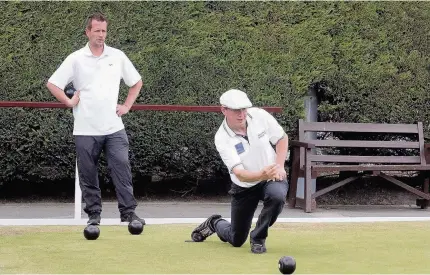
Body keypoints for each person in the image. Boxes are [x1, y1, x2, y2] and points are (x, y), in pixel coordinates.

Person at [46, 12, 145, 226]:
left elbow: (136, 82)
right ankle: (93, 216)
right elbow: (53, 83)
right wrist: (69, 102)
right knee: (88, 174)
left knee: (122, 168)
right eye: (97, 30)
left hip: (114, 128)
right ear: (88, 32)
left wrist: (127, 106)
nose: (101, 35)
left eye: (104, 31)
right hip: (85, 128)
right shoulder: (75, 59)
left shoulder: (117, 56)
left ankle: (129, 214)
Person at [190, 89, 289, 254]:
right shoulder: (221, 138)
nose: (241, 114)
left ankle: (258, 238)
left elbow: (281, 138)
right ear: (224, 110)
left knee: (277, 196)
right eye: (236, 110)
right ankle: (215, 223)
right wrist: (262, 174)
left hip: (271, 177)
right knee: (236, 240)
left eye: (244, 109)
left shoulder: (259, 115)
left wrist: (279, 166)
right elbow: (240, 173)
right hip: (244, 186)